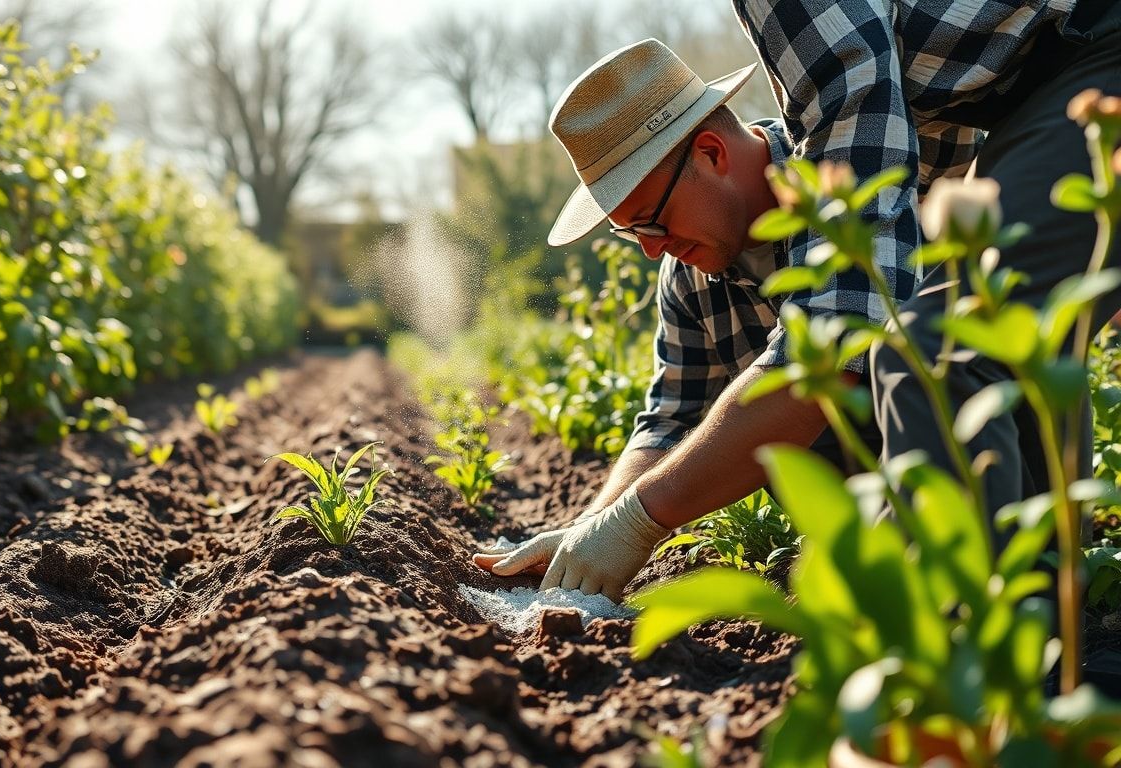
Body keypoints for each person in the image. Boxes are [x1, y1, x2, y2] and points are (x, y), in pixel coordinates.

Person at [472, 0, 1121, 685]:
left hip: (1087, 64)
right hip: (1047, 87)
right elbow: (670, 422)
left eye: (652, 222)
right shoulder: (692, 277)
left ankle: (981, 664)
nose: (652, 250)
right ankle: (1015, 636)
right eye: (632, 234)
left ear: (713, 153)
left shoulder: (878, 169)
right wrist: (591, 531)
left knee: (936, 349)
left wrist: (641, 520)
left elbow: (846, 329)